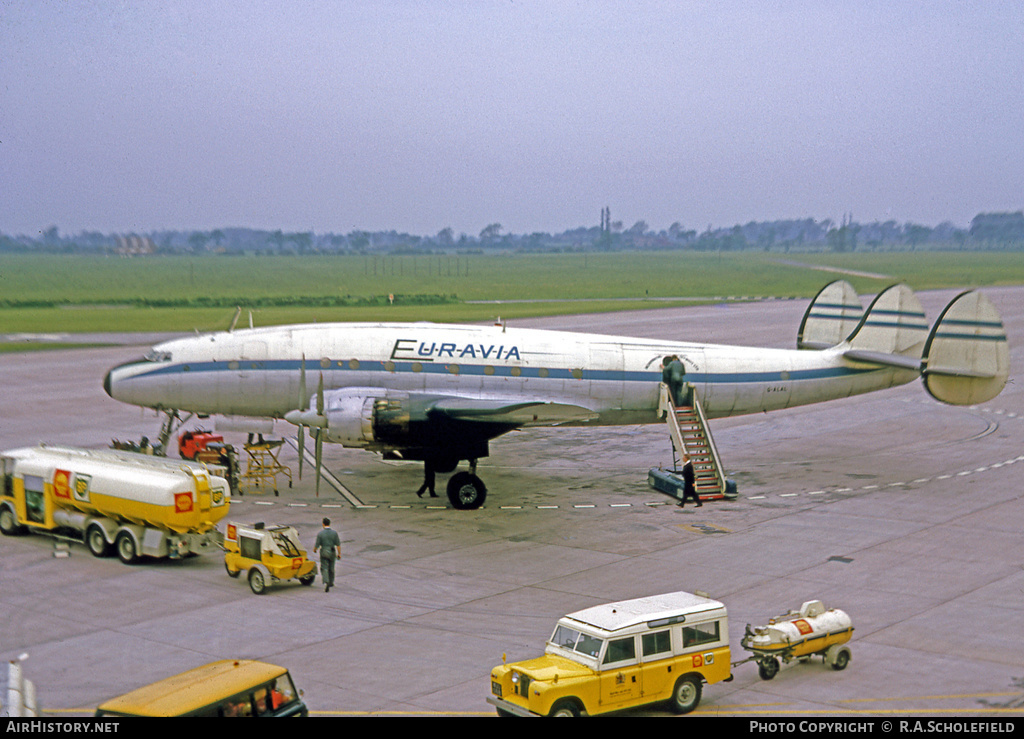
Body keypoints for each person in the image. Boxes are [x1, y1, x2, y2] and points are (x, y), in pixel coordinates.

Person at [313, 517, 341, 592]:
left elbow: (317, 544)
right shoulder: (334, 533)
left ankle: (326, 580)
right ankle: (331, 582)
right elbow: (338, 544)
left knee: (324, 567)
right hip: (332, 551)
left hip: (324, 551)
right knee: (331, 567)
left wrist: (315, 550)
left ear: (323, 524)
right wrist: (339, 554)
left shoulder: (320, 534)